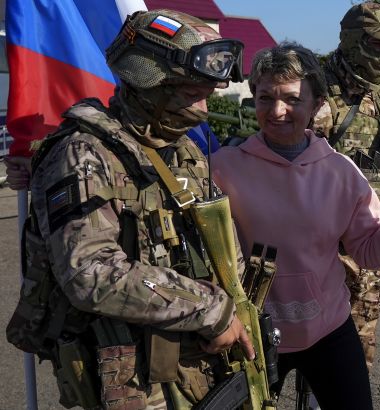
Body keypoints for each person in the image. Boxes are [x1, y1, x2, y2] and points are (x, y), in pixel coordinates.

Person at [4, 9, 254, 409]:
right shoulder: (83, 153)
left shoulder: (183, 149)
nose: (204, 107)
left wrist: (236, 308)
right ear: (151, 82)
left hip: (196, 363)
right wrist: (210, 309)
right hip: (131, 376)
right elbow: (90, 272)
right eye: (193, 93)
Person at [211, 42, 380, 410]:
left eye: (292, 99)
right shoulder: (222, 167)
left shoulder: (341, 173)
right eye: (265, 98)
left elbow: (370, 252)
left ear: (316, 106)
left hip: (329, 330)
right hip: (251, 333)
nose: (277, 111)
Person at [311, 2, 380, 370]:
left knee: (357, 354)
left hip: (373, 248)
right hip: (322, 253)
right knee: (312, 349)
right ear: (353, 41)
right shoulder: (317, 94)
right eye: (377, 43)